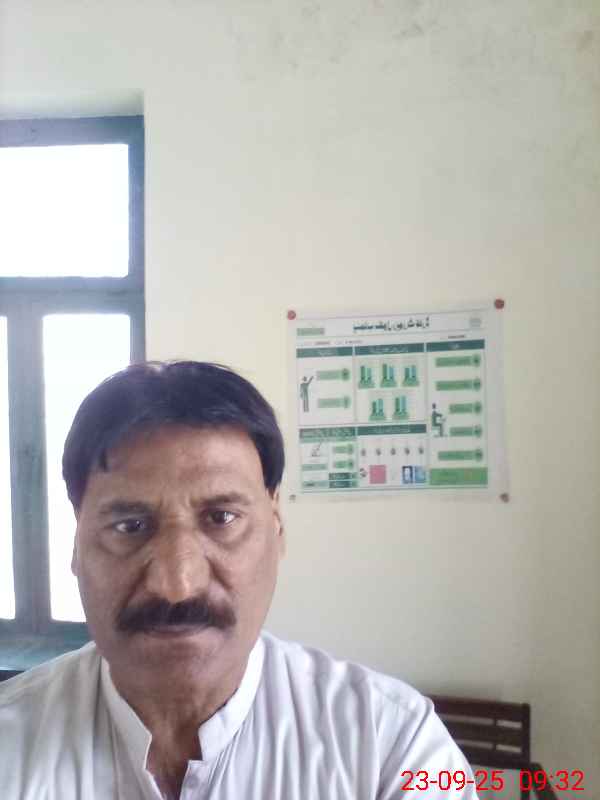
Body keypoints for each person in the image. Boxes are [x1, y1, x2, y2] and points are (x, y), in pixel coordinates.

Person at [0, 361, 478, 799]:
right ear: (76, 544)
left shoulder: (394, 745)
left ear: (277, 526)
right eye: (130, 526)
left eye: (221, 518)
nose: (178, 584)